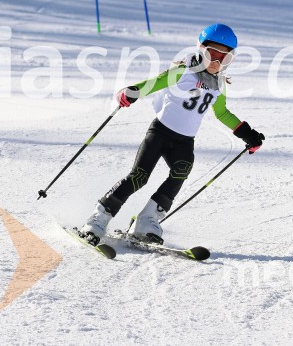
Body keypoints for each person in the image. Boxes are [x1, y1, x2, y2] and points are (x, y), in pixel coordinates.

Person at [77, 24, 266, 246]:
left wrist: (248, 134)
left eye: (224, 58)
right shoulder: (183, 71)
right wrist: (131, 92)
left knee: (181, 170)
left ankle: (147, 221)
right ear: (200, 49)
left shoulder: (219, 85)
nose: (216, 62)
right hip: (160, 133)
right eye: (212, 54)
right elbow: (155, 83)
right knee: (139, 176)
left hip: (184, 141)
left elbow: (222, 112)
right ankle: (98, 219)